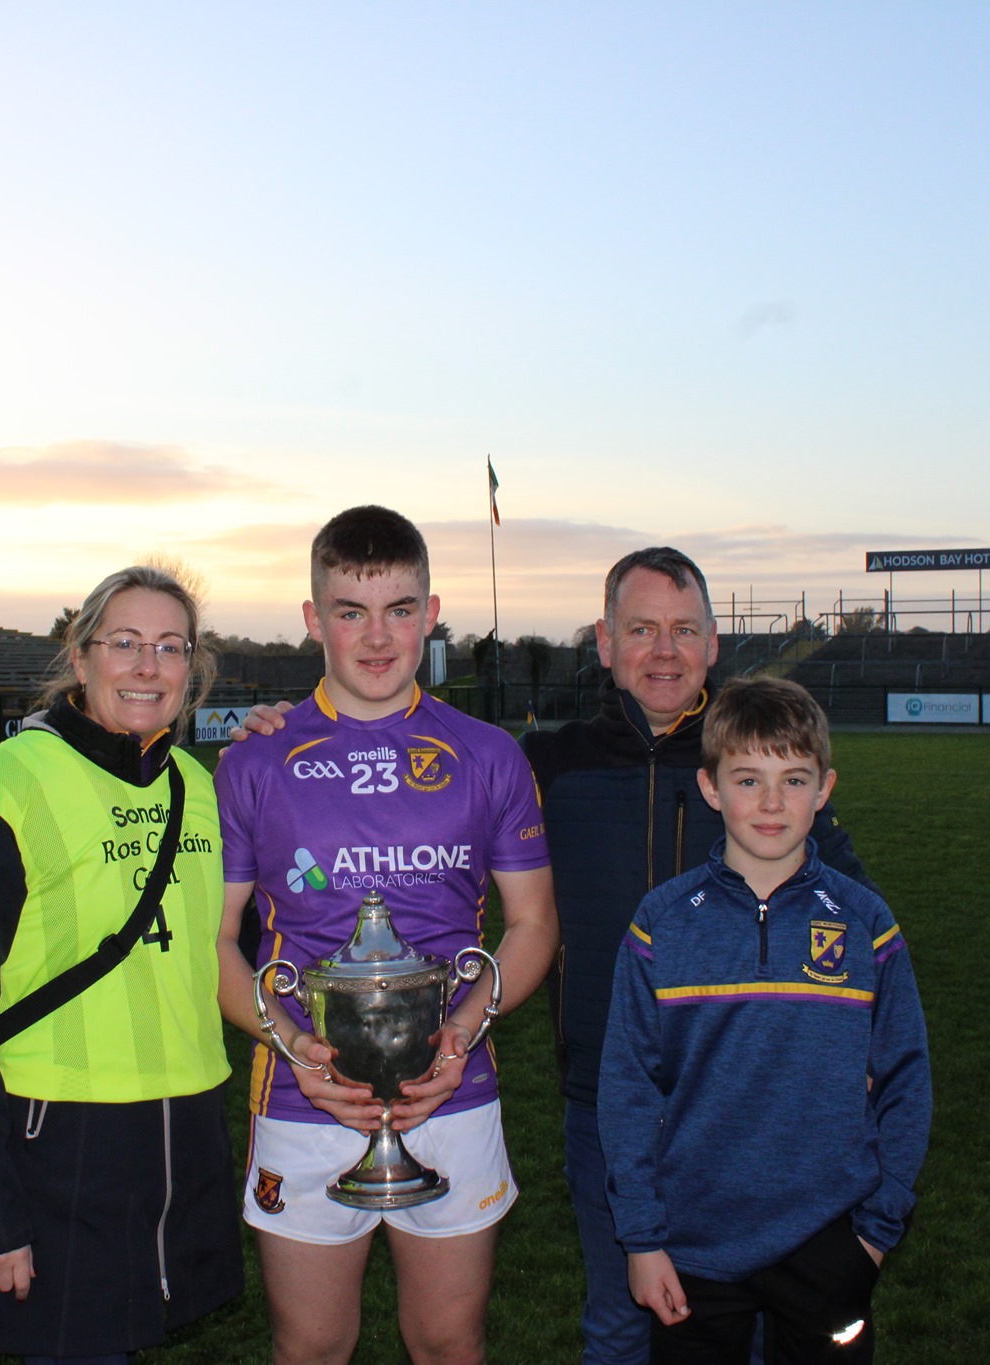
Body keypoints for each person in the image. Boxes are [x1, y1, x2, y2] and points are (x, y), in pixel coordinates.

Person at [213, 505, 558, 1365]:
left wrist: (461, 1034)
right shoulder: (254, 759)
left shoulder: (487, 754)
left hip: (453, 1089)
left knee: (447, 1341)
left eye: (400, 609)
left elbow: (533, 922)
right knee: (312, 1345)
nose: (377, 636)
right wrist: (296, 1049)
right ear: (312, 618)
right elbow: (216, 945)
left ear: (431, 613)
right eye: (351, 611)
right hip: (304, 1098)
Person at [519, 547, 876, 1365]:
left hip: (748, 1106)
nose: (665, 650)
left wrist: (858, 1049)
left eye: (684, 630)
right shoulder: (549, 764)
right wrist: (291, 723)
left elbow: (858, 919)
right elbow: (426, 792)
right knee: (620, 1322)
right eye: (641, 628)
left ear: (714, 643)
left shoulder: (753, 763)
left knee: (750, 1326)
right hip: (606, 1103)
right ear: (604, 641)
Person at [0, 565, 242, 1364]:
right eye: (124, 642)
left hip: (181, 1136)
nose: (148, 666)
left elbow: (233, 946)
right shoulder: (1, 792)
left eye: (171, 646)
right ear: (80, 653)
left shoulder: (197, 785)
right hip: (52, 1149)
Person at [598, 676, 930, 1362]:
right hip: (692, 1244)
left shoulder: (864, 923)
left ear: (824, 788)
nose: (772, 802)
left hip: (829, 1241)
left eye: (794, 780)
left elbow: (906, 1078)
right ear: (711, 787)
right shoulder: (662, 923)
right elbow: (628, 1089)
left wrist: (874, 1233)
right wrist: (642, 1240)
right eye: (748, 780)